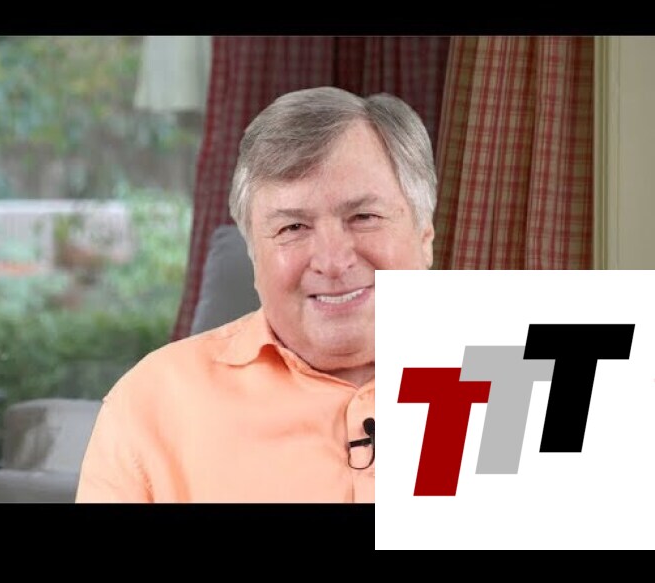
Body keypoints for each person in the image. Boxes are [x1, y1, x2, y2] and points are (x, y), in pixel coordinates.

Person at [75, 86, 436, 503]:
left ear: (424, 237)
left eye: (363, 216)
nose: (333, 261)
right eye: (293, 227)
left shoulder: (498, 365)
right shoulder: (151, 405)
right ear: (253, 254)